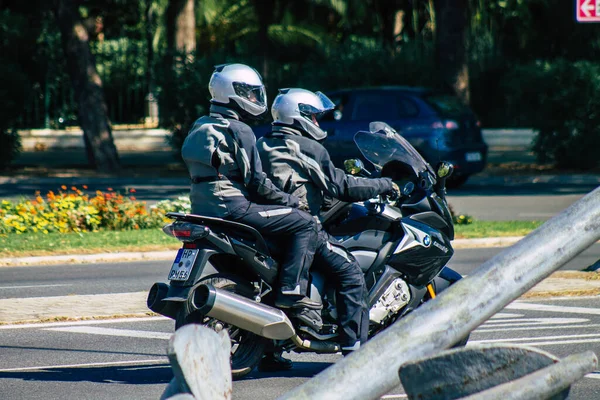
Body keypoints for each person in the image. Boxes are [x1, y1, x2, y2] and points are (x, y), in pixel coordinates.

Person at [257, 88, 400, 357]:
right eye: (312, 116)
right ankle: (354, 348)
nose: (317, 122)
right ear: (297, 115)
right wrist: (383, 184)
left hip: (266, 224)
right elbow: (340, 185)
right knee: (351, 273)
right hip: (301, 227)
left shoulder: (261, 143)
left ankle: (270, 355)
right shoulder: (308, 147)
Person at [180, 64, 320, 310]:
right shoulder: (239, 129)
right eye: (250, 93)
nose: (255, 98)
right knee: (305, 222)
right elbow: (256, 181)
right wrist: (290, 201)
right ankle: (290, 290)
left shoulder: (200, 124)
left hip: (201, 207)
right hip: (233, 207)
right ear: (233, 92)